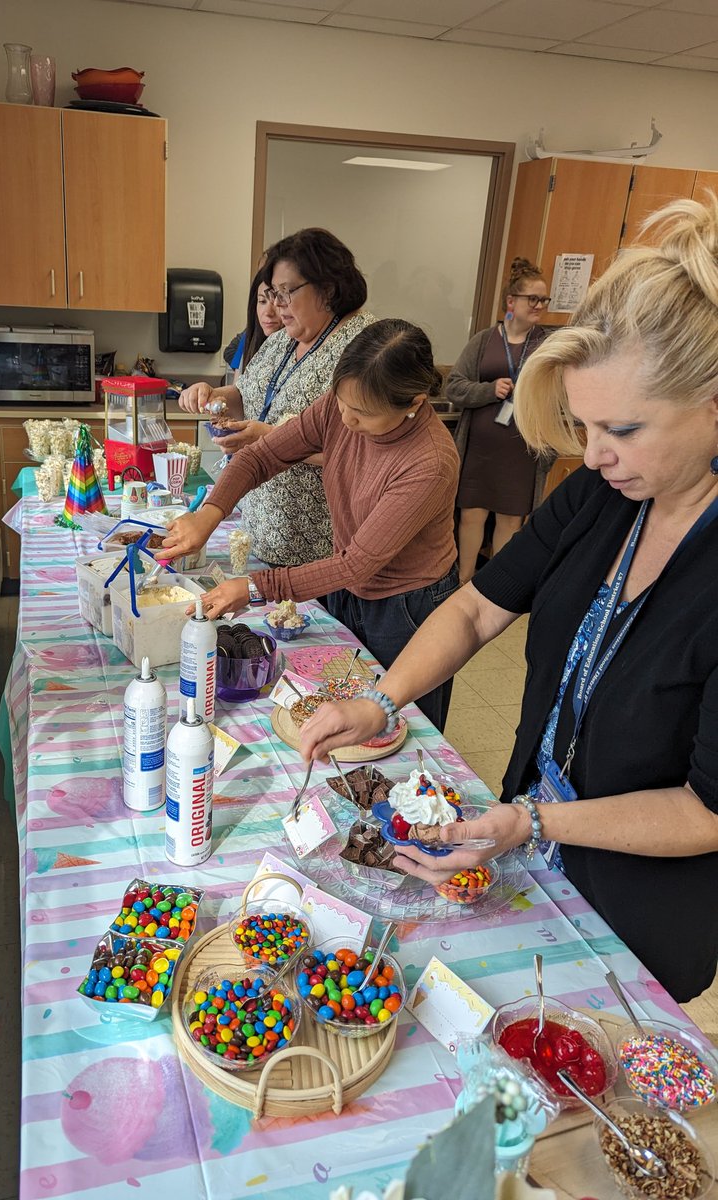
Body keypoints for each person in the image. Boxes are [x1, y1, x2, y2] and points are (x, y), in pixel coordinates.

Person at [299, 197, 718, 1004]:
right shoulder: (604, 497)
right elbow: (475, 608)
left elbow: (706, 810)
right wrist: (380, 702)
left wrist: (535, 823)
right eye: (583, 426)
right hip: (534, 847)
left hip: (639, 906)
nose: (594, 456)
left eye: (623, 431)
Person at [161, 319, 460, 731]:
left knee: (400, 725)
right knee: (339, 702)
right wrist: (208, 514)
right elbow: (259, 456)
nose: (345, 420)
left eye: (362, 414)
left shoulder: (430, 462)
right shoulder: (339, 406)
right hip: (350, 584)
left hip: (407, 606)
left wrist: (254, 588)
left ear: (414, 402)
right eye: (341, 403)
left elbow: (357, 564)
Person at [177, 228, 376, 568]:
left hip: (318, 548)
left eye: (286, 293)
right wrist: (213, 395)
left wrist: (269, 439)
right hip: (259, 537)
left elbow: (362, 452)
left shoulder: (362, 347)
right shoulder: (283, 339)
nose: (276, 306)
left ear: (327, 288)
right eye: (271, 294)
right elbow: (246, 393)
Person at [448, 258, 552, 585]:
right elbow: (454, 385)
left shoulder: (547, 344)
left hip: (521, 453)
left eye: (543, 300)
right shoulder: (484, 340)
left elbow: (559, 394)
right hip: (479, 451)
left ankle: (494, 585)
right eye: (532, 299)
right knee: (471, 516)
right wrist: (489, 390)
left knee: (511, 521)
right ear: (511, 302)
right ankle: (464, 581)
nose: (539, 305)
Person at [222, 266, 283, 377]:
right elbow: (237, 389)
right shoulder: (250, 339)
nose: (268, 312)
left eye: (276, 301)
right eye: (262, 301)